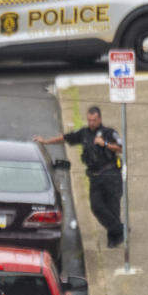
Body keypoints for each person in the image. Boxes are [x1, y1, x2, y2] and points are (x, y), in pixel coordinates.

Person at [34, 105, 125, 248]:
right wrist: (46, 141)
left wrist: (105, 143)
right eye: (89, 120)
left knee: (112, 207)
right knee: (96, 206)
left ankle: (115, 237)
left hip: (110, 174)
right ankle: (120, 229)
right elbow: (66, 138)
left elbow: (121, 148)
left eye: (94, 120)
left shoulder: (109, 133)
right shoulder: (84, 133)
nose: (91, 123)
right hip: (95, 176)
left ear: (99, 119)